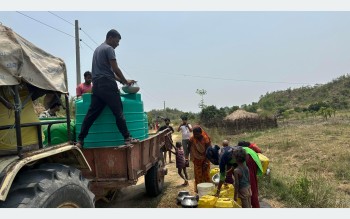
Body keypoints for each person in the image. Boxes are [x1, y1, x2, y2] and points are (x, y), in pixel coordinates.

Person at [76, 29, 138, 148]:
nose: (117, 44)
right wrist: (125, 81)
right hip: (108, 85)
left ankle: (80, 140)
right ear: (110, 37)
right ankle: (127, 137)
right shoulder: (109, 49)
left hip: (97, 86)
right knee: (118, 112)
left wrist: (122, 81)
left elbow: (108, 71)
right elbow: (115, 68)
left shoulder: (97, 50)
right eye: (117, 40)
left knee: (91, 114)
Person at [238, 141, 263, 208]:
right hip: (253, 167)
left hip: (249, 168)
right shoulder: (251, 150)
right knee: (254, 187)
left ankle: (255, 206)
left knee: (251, 188)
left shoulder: (243, 151)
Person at [188, 126, 211, 193]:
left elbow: (208, 151)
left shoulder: (206, 139)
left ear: (201, 133)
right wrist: (187, 158)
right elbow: (188, 148)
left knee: (206, 174)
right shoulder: (192, 139)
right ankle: (199, 190)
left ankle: (208, 189)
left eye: (197, 134)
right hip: (197, 159)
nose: (196, 136)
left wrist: (206, 161)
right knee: (198, 175)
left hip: (205, 158)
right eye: (194, 134)